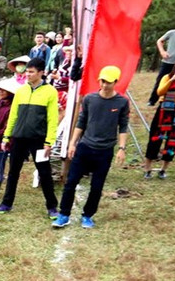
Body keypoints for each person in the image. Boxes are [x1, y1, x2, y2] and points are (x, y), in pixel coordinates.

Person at [53, 66, 129, 229]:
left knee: (97, 185)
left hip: (105, 150)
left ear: (115, 82)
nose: (104, 85)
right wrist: (72, 144)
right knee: (71, 181)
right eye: (102, 81)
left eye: (108, 82)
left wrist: (122, 149)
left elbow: (123, 126)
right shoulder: (89, 99)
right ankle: (64, 214)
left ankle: (88, 215)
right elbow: (81, 122)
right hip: (85, 146)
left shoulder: (122, 102)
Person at [0, 58, 60, 216]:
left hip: (39, 140)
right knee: (13, 172)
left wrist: (49, 142)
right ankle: (6, 203)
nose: (28, 75)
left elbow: (52, 119)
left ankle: (52, 206)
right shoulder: (21, 91)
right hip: (19, 138)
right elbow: (13, 116)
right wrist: (6, 136)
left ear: (41, 73)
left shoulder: (50, 91)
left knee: (44, 173)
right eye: (27, 72)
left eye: (31, 72)